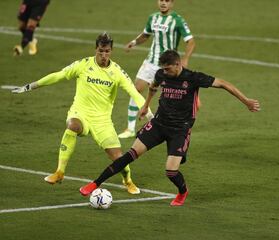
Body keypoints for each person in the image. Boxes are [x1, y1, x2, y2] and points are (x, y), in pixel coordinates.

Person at [79, 50, 261, 206]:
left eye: (167, 68)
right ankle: (95, 184)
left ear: (177, 64)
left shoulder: (193, 78)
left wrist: (246, 101)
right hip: (159, 124)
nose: (164, 71)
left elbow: (223, 83)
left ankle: (182, 192)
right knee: (130, 154)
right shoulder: (161, 74)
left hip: (180, 129)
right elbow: (153, 87)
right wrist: (145, 105)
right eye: (163, 68)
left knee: (171, 171)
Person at [12, 32, 153, 194]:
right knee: (72, 125)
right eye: (101, 51)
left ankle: (127, 181)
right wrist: (32, 86)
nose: (103, 55)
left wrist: (149, 114)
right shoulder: (83, 65)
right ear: (96, 49)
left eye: (107, 51)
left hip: (102, 121)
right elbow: (59, 75)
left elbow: (134, 93)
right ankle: (59, 172)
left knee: (119, 158)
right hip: (81, 113)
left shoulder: (117, 72)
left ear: (111, 51)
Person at [118, 0, 196, 139]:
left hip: (168, 65)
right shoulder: (153, 17)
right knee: (136, 89)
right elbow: (146, 34)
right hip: (151, 61)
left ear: (172, 3)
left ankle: (179, 123)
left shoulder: (177, 20)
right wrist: (134, 42)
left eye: (167, 0)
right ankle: (130, 128)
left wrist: (185, 59)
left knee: (177, 96)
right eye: (161, 0)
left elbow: (190, 41)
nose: (163, 3)